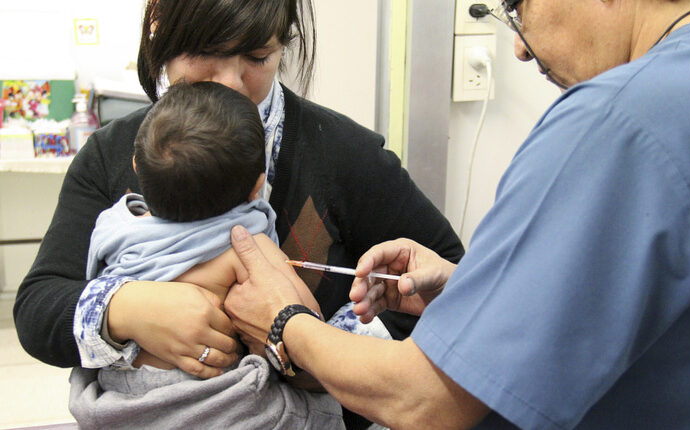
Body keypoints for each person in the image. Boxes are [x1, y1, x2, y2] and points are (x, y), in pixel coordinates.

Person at [223, 0, 690, 429]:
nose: (520, 49)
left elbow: (427, 401)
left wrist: (284, 323)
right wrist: (471, 294)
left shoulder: (614, 124)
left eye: (517, 6)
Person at [13, 1, 463, 428]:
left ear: (283, 44)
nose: (231, 82)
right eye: (206, 50)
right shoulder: (109, 154)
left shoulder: (345, 154)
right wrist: (127, 309)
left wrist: (324, 351)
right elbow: (38, 310)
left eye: (256, 56)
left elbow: (451, 281)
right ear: (159, 26)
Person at [69, 80, 343, 428]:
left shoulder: (115, 226)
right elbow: (305, 326)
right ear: (256, 188)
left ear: (137, 167)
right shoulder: (247, 244)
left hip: (121, 401)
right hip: (216, 401)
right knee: (322, 410)